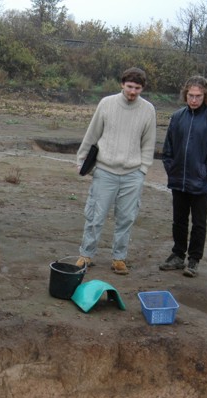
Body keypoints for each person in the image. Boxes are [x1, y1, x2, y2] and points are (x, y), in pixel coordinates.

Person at [75, 67, 156, 275]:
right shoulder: (106, 104)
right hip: (105, 170)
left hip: (132, 173)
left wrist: (143, 169)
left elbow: (148, 142)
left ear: (142, 88)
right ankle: (86, 254)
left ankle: (119, 258)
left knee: (126, 217)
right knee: (95, 215)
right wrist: (82, 158)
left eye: (137, 88)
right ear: (122, 84)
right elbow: (93, 133)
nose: (132, 92)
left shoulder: (148, 110)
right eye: (129, 87)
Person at [158, 75, 207, 277]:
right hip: (178, 179)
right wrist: (171, 167)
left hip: (201, 182)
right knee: (178, 220)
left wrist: (205, 172)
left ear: (206, 96)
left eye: (198, 96)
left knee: (199, 222)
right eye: (191, 95)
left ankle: (194, 259)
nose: (194, 100)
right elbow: (168, 146)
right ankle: (178, 254)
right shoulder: (177, 117)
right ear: (185, 95)